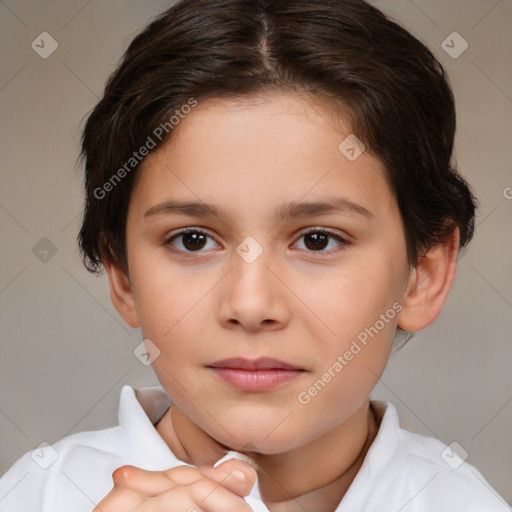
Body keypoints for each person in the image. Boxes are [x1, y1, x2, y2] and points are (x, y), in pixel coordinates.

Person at [0, 0, 509, 510]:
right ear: (122, 274)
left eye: (318, 240)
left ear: (422, 274)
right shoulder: (37, 494)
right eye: (193, 240)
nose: (250, 304)